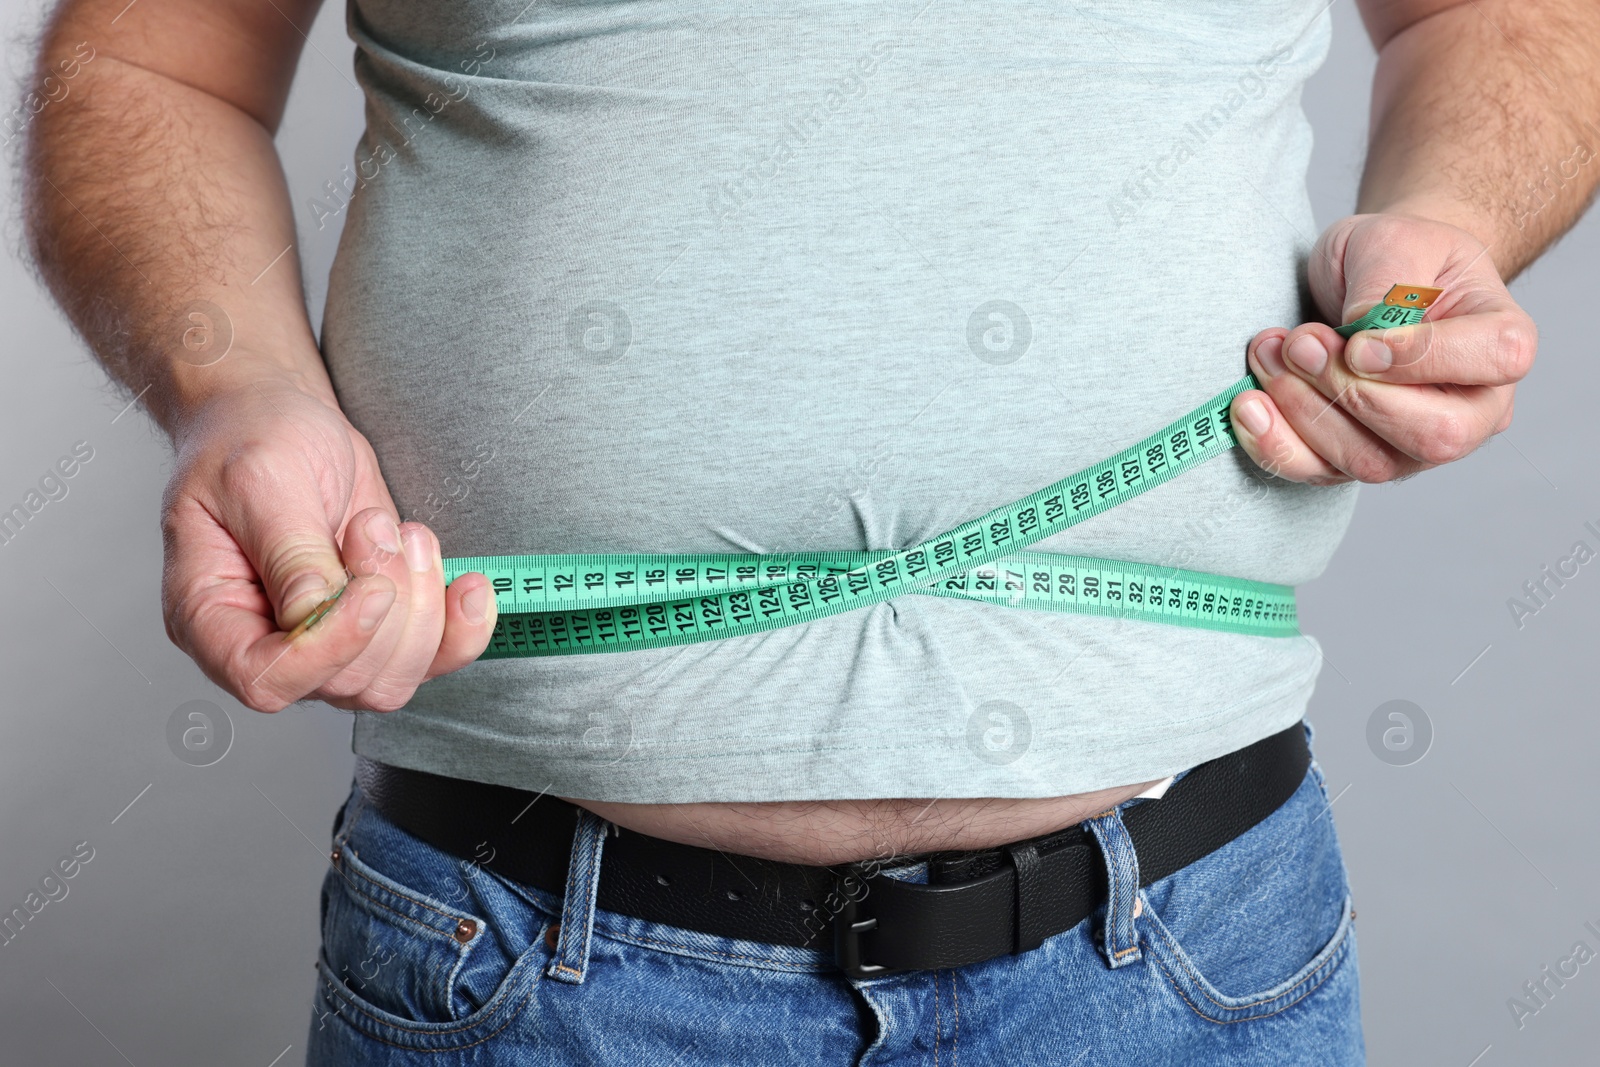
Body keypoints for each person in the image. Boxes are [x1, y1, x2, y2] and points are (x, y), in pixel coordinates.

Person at [21, 0, 1598, 1062]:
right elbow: (159, 58)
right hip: (516, 954)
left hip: (1192, 937)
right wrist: (237, 396)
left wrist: (1444, 230)